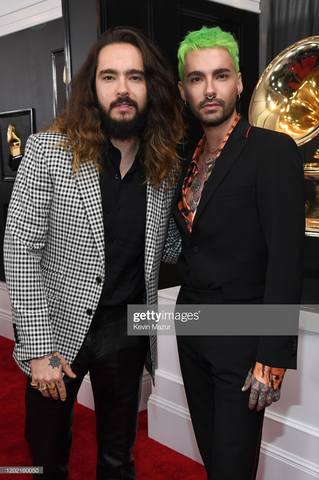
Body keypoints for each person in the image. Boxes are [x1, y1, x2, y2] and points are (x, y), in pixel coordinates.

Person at [3, 26, 183, 480]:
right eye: (109, 77)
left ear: (151, 87)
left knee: (118, 458)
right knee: (47, 457)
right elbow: (21, 249)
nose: (122, 89)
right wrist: (39, 350)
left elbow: (169, 245)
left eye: (135, 77)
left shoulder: (163, 164)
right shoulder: (48, 151)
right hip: (58, 332)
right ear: (92, 87)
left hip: (128, 329)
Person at [163, 26, 304, 479]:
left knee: (233, 467)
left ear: (239, 82)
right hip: (192, 329)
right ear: (185, 88)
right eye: (197, 78)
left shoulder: (272, 151)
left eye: (220, 76)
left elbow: (286, 257)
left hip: (244, 342)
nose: (209, 89)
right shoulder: (186, 160)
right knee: (213, 458)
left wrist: (273, 356)